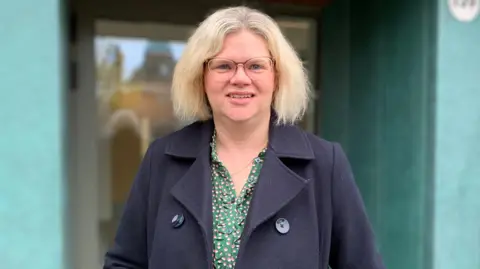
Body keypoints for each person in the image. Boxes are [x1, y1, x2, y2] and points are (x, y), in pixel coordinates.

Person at [103, 6, 385, 269]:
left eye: (256, 66)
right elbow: (124, 263)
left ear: (278, 77)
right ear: (201, 77)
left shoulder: (325, 164)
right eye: (223, 66)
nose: (240, 78)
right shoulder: (161, 159)